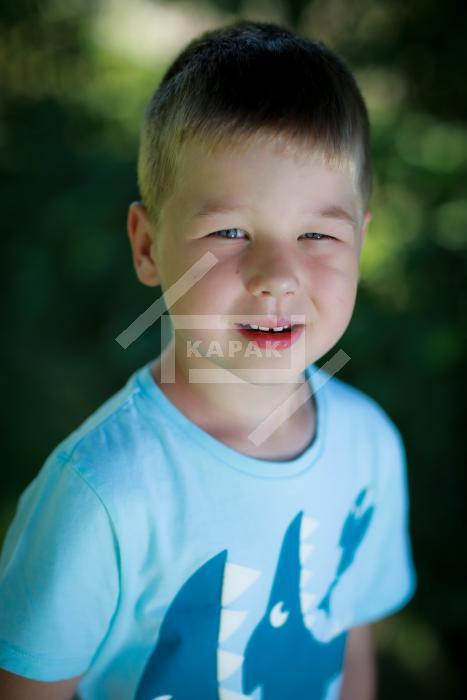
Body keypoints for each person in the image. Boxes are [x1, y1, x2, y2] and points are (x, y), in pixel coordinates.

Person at [0, 19, 417, 700]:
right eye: (229, 231)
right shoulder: (102, 492)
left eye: (317, 234)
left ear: (360, 244)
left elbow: (348, 642)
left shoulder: (368, 446)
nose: (276, 275)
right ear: (147, 247)